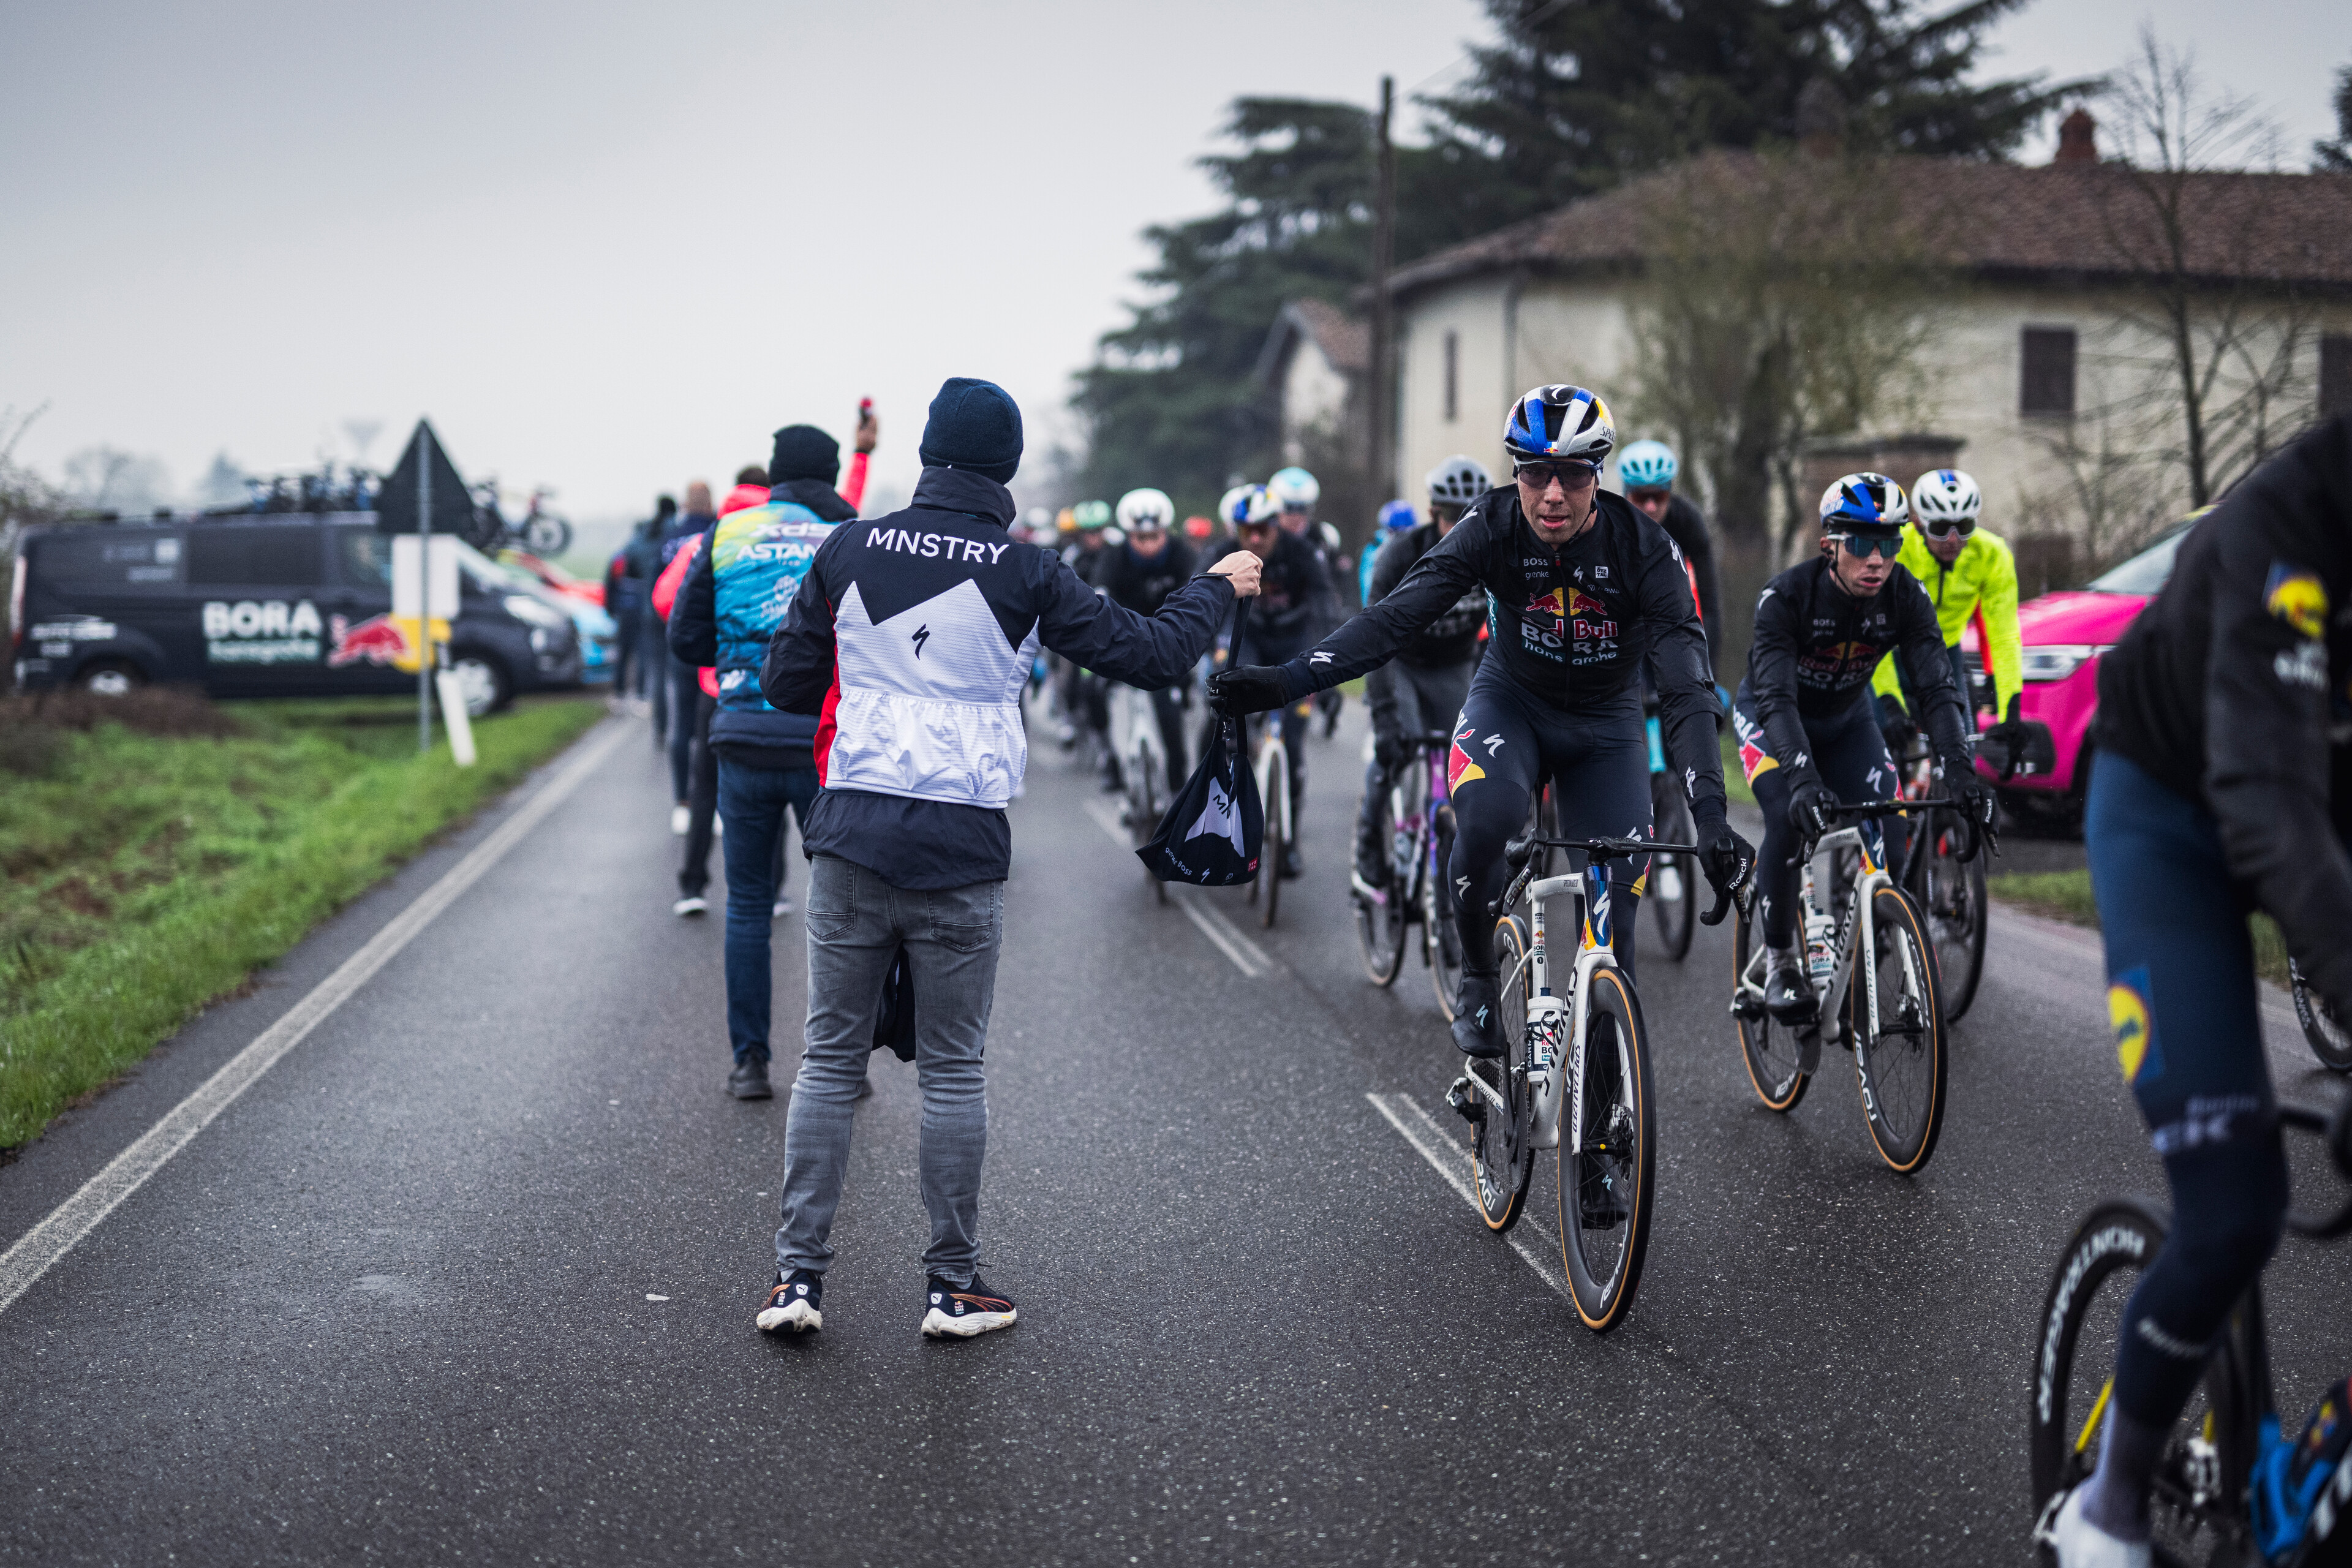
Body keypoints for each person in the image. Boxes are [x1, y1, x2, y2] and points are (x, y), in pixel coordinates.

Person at [754, 375, 1264, 1338]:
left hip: (851, 838)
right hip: (961, 848)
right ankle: (953, 1289)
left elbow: (788, 685)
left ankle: (797, 1283)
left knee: (826, 1062)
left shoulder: (849, 546)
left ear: (927, 457)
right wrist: (1215, 586)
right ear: (1009, 467)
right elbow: (1153, 655)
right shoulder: (1026, 571)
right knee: (951, 1071)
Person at [1212, 385, 1755, 1054]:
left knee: (1615, 935)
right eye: (1534, 473)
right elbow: (1393, 620)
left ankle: (1610, 1127)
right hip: (1511, 704)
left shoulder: (1646, 551)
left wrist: (1709, 815)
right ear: (1516, 474)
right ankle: (1475, 972)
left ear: (1598, 475)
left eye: (1573, 474)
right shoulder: (1490, 525)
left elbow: (1686, 688)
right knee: (1485, 821)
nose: (1552, 494)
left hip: (1607, 725)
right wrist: (1282, 682)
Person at [2038, 412, 2352, 1567]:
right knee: (2234, 1205)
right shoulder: (2294, 517)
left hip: (2321, 812)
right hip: (2176, 814)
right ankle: (2106, 1508)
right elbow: (2268, 806)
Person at [1732, 473, 1992, 1021]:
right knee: (1786, 818)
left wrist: (1962, 770)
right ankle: (1780, 959)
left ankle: (1864, 963)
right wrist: (1802, 778)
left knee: (1892, 832)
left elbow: (1938, 688)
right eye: (1861, 544)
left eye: (1890, 544)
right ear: (1830, 544)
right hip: (1773, 717)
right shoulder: (1787, 597)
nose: (1877, 559)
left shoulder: (1905, 596)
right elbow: (1777, 698)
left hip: (1846, 724)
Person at [666, 423, 866, 1099]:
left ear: (777, 472)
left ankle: (750, 1063)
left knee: (748, 905)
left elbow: (684, 635)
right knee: (839, 908)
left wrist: (738, 662)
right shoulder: (846, 536)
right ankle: (844, 1064)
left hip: (742, 735)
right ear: (833, 473)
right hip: (823, 745)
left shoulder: (727, 533)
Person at [1352, 456, 1493, 889]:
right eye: (1452, 517)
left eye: (1470, 517)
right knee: (1394, 752)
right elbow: (1372, 638)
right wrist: (1384, 717)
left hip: (1454, 666)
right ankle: (1369, 841)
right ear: (1434, 514)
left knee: (1472, 768)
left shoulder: (1494, 554)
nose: (1461, 527)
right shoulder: (1400, 556)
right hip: (1403, 665)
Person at [1866, 467, 2028, 763]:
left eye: (1964, 526)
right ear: (1917, 524)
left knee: (1961, 751)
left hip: (1943, 654)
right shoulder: (1894, 551)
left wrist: (2010, 710)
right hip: (1887, 651)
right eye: (1941, 528)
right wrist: (1890, 703)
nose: (1953, 540)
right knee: (1879, 747)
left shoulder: (1992, 555)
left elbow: (2004, 636)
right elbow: (1871, 631)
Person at [1225, 481, 1338, 879]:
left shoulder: (1302, 552)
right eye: (1246, 531)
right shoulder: (1225, 554)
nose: (1256, 539)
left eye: (1264, 530)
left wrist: (1332, 672)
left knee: (1293, 742)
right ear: (1236, 532)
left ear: (1277, 526)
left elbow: (1326, 605)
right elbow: (1200, 595)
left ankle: (1287, 842)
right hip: (1250, 639)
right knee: (1224, 713)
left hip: (1294, 643)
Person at [1091, 486, 1199, 795]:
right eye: (1141, 538)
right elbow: (1100, 590)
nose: (1148, 545)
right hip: (1124, 638)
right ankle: (1109, 759)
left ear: (1166, 532)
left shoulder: (1182, 554)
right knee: (1092, 689)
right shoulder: (1114, 557)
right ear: (1128, 535)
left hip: (1167, 641)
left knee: (1170, 714)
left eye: (1155, 537)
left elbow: (1198, 589)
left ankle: (1179, 785)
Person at [1616, 440, 1723, 683]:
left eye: (1660, 496)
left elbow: (1710, 604)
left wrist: (1710, 676)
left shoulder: (1689, 521)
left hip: (1669, 615)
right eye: (1642, 497)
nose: (1651, 506)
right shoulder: (1611, 523)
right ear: (1626, 495)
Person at [655, 482, 715, 815]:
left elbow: (660, 594)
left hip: (681, 644)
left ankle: (682, 801)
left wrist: (676, 628)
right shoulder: (723, 534)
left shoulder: (671, 539)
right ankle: (716, 803)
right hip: (716, 648)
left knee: (682, 725)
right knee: (713, 725)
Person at [1360, 499, 1417, 605]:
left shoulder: (1419, 547)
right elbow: (1370, 589)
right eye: (1395, 532)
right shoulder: (1374, 551)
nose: (1400, 540)